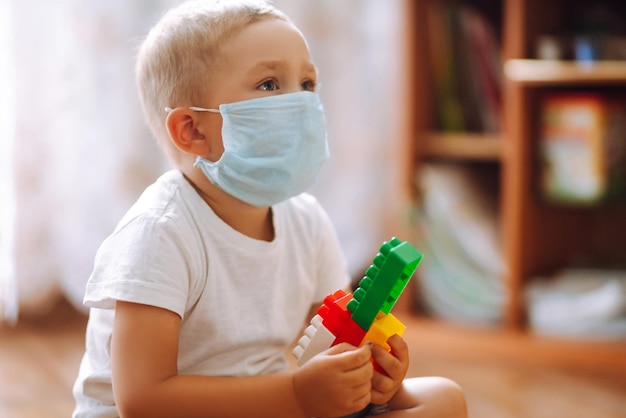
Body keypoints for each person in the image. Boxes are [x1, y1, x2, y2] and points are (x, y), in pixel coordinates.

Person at [72, 1, 468, 417]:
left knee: (442, 398)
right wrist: (296, 396)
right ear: (192, 130)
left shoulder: (307, 221)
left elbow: (333, 344)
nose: (299, 104)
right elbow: (143, 400)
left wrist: (371, 374)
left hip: (267, 402)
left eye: (307, 84)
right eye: (268, 85)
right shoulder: (159, 233)